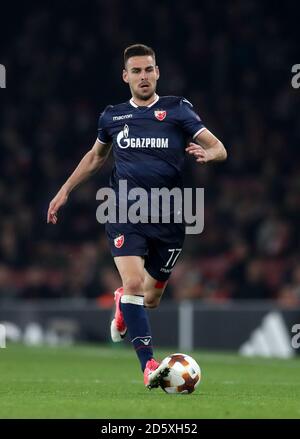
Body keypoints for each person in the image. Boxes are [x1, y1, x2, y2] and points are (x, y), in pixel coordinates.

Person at [47, 44, 227, 389]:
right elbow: (95, 157)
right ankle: (148, 366)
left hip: (171, 213)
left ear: (157, 72)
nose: (143, 77)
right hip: (124, 209)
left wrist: (210, 154)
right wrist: (65, 190)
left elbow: (219, 146)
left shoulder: (177, 109)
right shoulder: (112, 116)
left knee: (151, 299)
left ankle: (122, 302)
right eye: (137, 71)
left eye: (149, 70)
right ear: (125, 76)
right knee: (133, 285)